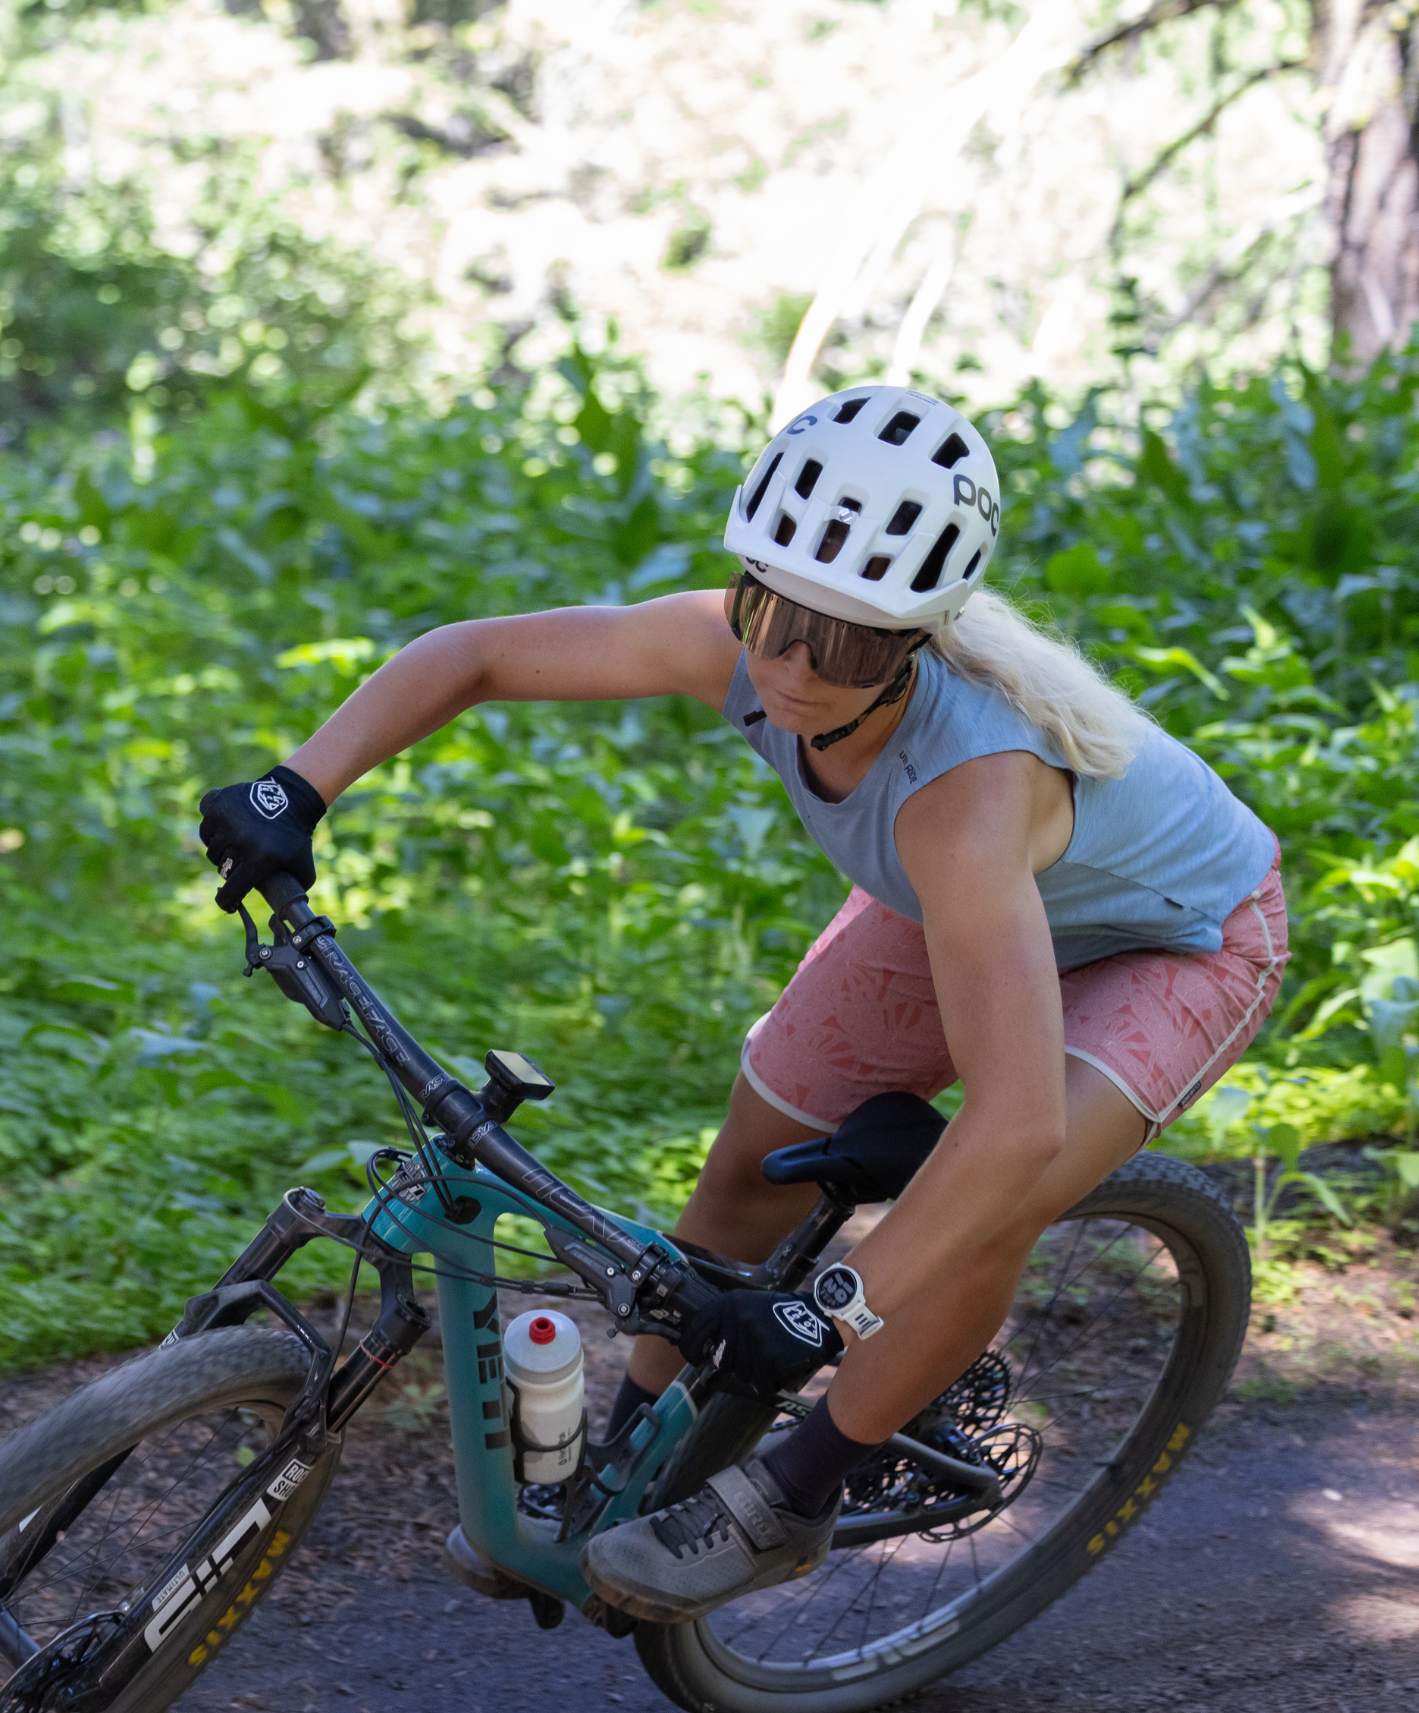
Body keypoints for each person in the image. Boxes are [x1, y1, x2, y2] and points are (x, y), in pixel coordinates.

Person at [197, 384, 1287, 1625]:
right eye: (774, 618)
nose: (796, 670)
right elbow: (482, 652)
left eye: (853, 644)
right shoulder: (743, 649)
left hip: (1176, 941)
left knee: (989, 1199)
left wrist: (827, 1309)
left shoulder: (966, 788)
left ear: (916, 644)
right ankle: (615, 1475)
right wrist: (297, 786)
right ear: (751, 584)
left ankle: (800, 1491)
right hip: (957, 905)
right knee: (743, 1173)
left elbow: (1016, 1123)